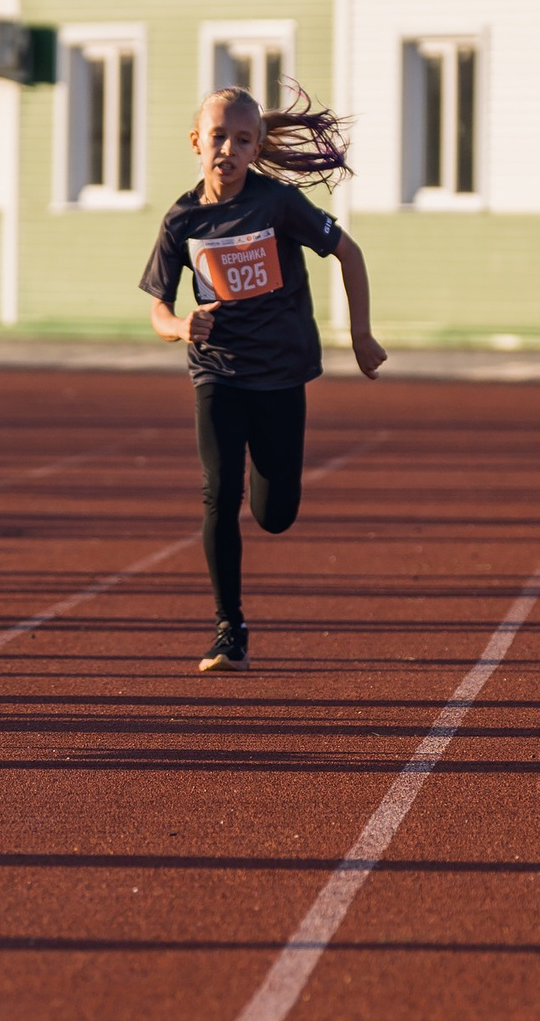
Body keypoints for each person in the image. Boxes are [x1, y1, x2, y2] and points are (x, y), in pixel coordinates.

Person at [141, 85, 386, 674]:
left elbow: (349, 254)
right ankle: (229, 630)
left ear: (256, 148)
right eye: (218, 136)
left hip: (279, 376)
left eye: (242, 139)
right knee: (217, 495)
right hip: (217, 374)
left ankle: (264, 479)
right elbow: (156, 308)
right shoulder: (182, 219)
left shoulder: (277, 205)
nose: (227, 148)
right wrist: (180, 325)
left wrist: (360, 335)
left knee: (275, 514)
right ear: (196, 142)